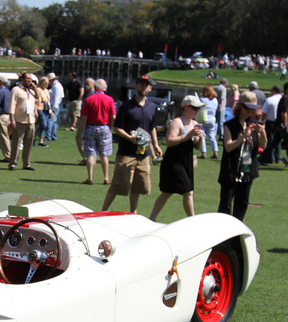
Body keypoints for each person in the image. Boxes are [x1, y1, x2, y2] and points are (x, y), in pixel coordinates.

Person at [101, 75, 162, 213]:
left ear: (150, 88)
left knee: (138, 186)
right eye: (141, 84)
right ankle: (102, 211)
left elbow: (152, 128)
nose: (144, 87)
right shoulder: (126, 106)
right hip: (126, 153)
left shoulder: (152, 107)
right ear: (136, 86)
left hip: (144, 154)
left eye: (147, 85)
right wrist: (130, 138)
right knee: (118, 185)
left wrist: (156, 145)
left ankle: (133, 213)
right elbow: (116, 128)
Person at [150, 95, 205, 221]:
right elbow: (169, 141)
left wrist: (200, 138)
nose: (197, 111)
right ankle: (193, 220)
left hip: (186, 161)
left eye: (198, 109)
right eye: (195, 108)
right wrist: (188, 135)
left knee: (168, 192)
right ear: (186, 107)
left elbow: (197, 147)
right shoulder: (177, 122)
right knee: (187, 191)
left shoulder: (195, 123)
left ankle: (152, 217)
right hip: (173, 162)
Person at [217, 91, 266, 221]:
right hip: (231, 171)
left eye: (253, 109)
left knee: (242, 203)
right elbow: (228, 147)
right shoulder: (230, 125)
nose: (250, 112)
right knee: (226, 204)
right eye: (247, 108)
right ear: (240, 107)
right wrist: (243, 136)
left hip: (247, 171)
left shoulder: (255, 124)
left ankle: (237, 230)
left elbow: (262, 145)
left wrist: (262, 133)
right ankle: (222, 231)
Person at [79, 78, 115, 185]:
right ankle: (106, 177)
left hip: (90, 127)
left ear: (95, 87)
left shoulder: (89, 99)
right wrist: (111, 128)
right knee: (104, 155)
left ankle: (90, 178)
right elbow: (113, 116)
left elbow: (84, 117)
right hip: (104, 127)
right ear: (105, 88)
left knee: (90, 153)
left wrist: (82, 129)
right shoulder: (110, 99)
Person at [8, 71, 37, 171]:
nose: (30, 80)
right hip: (19, 120)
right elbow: (12, 104)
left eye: (31, 79)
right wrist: (12, 118)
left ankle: (26, 163)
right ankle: (13, 163)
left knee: (29, 143)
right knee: (16, 143)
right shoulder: (16, 90)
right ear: (22, 79)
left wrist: (35, 89)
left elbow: (39, 100)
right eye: (28, 78)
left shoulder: (32, 91)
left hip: (31, 120)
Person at [258, 85, 283, 165]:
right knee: (278, 141)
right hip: (280, 122)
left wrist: (262, 121)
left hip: (271, 122)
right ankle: (278, 158)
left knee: (270, 140)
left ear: (274, 91)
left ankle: (270, 158)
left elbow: (264, 112)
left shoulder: (270, 100)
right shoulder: (283, 99)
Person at [75, 77, 94, 165]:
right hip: (88, 120)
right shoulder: (89, 94)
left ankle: (87, 158)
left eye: (88, 83)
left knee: (80, 138)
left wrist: (82, 121)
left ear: (93, 84)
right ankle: (89, 158)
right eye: (85, 83)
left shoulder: (91, 95)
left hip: (87, 121)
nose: (86, 85)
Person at [199, 85, 219, 159]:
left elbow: (199, 107)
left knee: (202, 136)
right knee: (212, 136)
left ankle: (203, 152)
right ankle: (215, 151)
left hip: (204, 119)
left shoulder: (202, 99)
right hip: (212, 119)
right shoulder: (215, 100)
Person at [47, 72, 64, 141]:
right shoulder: (56, 86)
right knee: (54, 121)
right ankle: (53, 136)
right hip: (55, 106)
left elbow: (56, 98)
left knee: (50, 121)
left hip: (54, 106)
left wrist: (53, 109)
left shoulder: (57, 87)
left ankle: (48, 136)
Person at [35, 76, 52, 147]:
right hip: (40, 108)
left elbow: (48, 101)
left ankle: (40, 140)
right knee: (43, 124)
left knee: (45, 125)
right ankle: (34, 135)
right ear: (41, 83)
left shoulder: (47, 90)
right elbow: (36, 100)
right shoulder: (38, 90)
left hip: (46, 108)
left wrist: (51, 111)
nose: (47, 84)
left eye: (48, 82)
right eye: (46, 82)